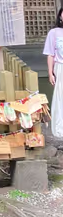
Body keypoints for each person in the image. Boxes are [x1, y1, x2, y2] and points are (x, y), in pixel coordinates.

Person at [43, 9, 63, 138]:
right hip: (60, 67)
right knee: (60, 97)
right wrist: (50, 72)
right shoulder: (54, 33)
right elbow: (50, 54)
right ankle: (60, 127)